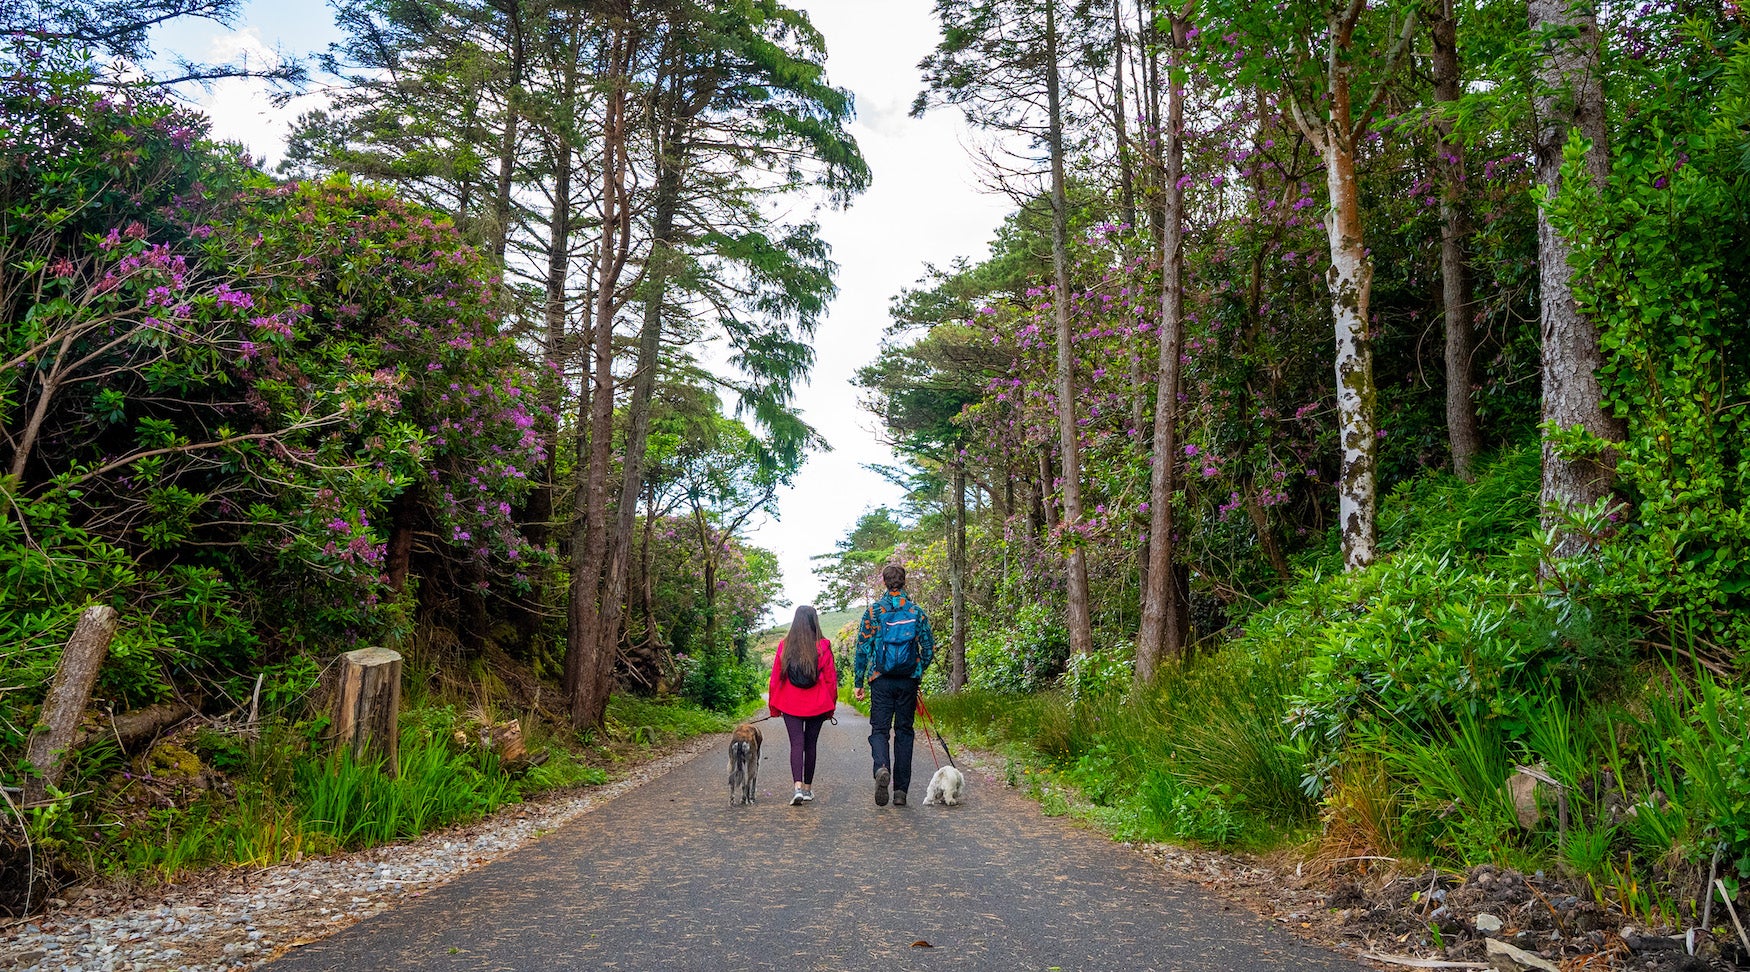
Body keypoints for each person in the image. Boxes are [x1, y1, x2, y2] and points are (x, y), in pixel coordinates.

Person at [853, 564, 935, 807]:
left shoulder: (874, 612)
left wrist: (859, 682)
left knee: (879, 730)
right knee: (904, 732)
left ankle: (881, 768)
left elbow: (862, 648)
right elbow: (928, 648)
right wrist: (917, 670)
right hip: (907, 681)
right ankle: (900, 791)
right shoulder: (916, 612)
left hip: (880, 679)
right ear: (904, 582)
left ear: (885, 583)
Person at [767, 604, 839, 806]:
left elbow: (775, 678)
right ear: (814, 621)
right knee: (811, 745)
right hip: (817, 703)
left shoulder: (785, 645)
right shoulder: (823, 645)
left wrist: (774, 706)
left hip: (790, 702)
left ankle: (797, 787)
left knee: (796, 744)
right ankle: (807, 789)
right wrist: (830, 706)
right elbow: (831, 679)